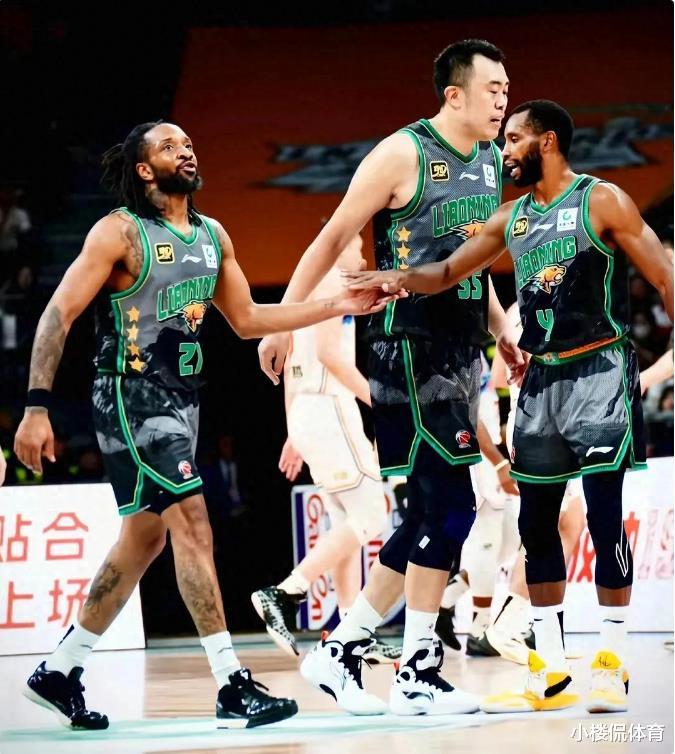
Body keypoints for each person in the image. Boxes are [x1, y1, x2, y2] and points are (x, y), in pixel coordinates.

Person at [13, 121, 398, 731]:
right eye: (169, 146)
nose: (186, 150)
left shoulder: (212, 235)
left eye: (189, 143)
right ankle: (231, 682)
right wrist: (37, 405)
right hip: (129, 395)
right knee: (193, 521)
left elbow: (247, 319)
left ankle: (60, 669)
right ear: (145, 170)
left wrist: (336, 305)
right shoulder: (120, 232)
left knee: (143, 541)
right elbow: (58, 314)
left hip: (181, 401)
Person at [346, 99, 673, 714]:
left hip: (600, 370)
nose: (504, 151)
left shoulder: (601, 200)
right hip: (540, 381)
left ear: (546, 142)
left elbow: (663, 275)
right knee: (535, 526)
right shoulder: (511, 217)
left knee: (604, 518)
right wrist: (396, 279)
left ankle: (612, 665)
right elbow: (448, 270)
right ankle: (551, 670)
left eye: (514, 138)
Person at [258, 39, 524, 716]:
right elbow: (329, 240)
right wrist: (283, 322)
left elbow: (472, 262)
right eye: (491, 88)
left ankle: (343, 650)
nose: (502, 100)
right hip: (409, 348)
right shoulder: (402, 152)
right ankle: (416, 670)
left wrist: (502, 333)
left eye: (506, 89)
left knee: (428, 516)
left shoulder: (490, 162)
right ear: (453, 94)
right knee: (453, 508)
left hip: (462, 349)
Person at [251, 232, 399, 665]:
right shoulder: (333, 282)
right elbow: (333, 356)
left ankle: (351, 632)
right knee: (371, 515)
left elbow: (287, 369)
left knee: (345, 524)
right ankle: (285, 591)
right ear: (338, 247)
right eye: (357, 247)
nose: (363, 257)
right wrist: (381, 403)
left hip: (307, 410)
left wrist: (293, 431)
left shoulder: (302, 291)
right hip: (330, 406)